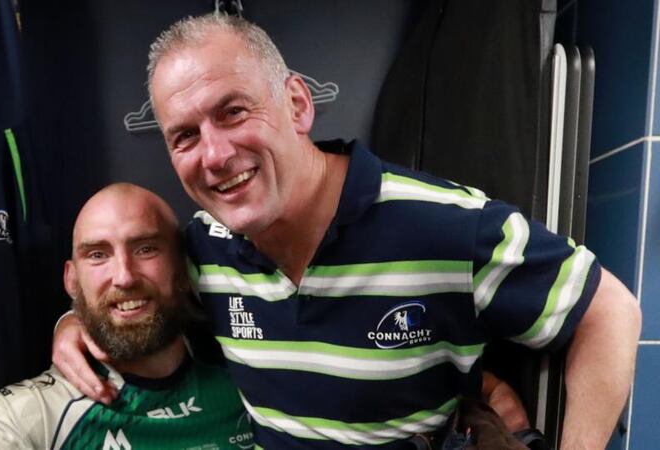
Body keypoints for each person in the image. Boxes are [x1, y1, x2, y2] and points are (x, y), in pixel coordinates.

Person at [54, 13, 642, 450]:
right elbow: (135, 293)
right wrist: (73, 322)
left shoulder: (446, 226)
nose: (214, 154)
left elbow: (611, 311)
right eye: (185, 135)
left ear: (297, 104)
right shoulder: (206, 251)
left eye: (233, 112)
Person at [0, 183, 253, 450]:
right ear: (72, 280)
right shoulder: (38, 411)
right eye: (98, 254)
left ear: (183, 270)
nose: (124, 276)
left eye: (146, 248)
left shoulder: (249, 371)